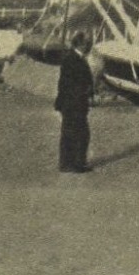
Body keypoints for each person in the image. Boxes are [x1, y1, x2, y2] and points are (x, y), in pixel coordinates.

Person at [54, 32, 95, 173]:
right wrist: (85, 92)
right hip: (74, 103)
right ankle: (76, 164)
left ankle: (68, 163)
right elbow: (71, 83)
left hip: (72, 102)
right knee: (79, 133)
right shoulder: (73, 59)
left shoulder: (74, 58)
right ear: (80, 44)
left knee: (71, 133)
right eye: (87, 43)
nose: (89, 45)